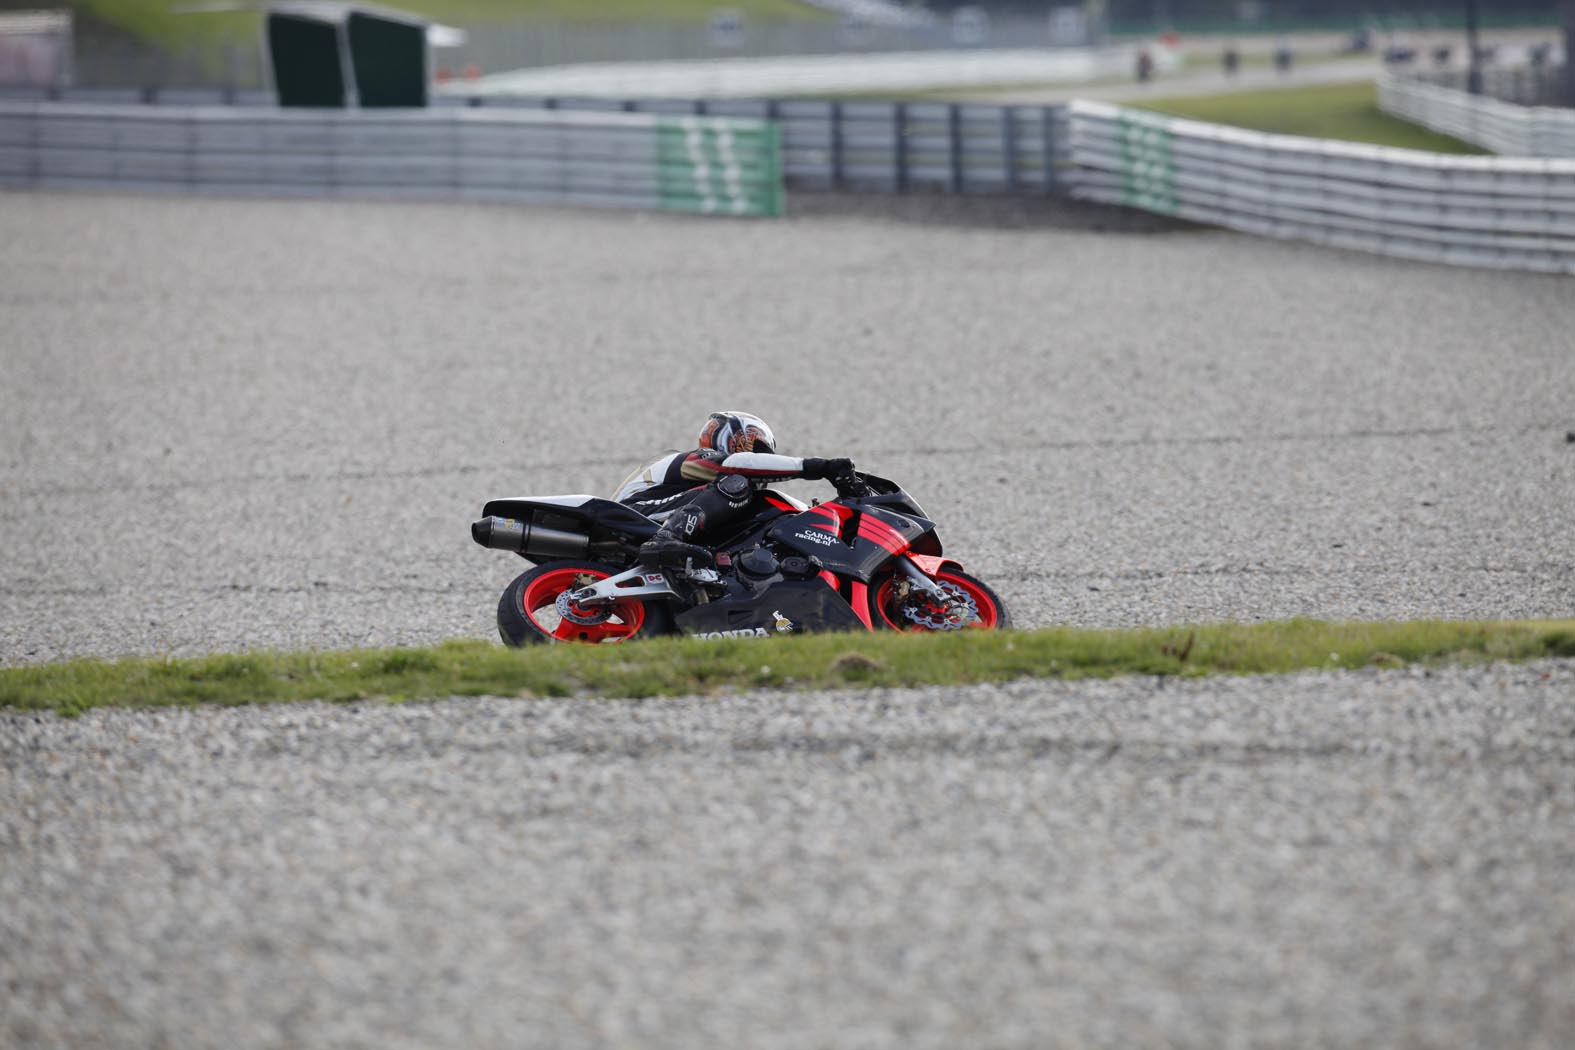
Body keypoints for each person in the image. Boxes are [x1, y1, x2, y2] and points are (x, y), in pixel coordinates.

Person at [615, 411, 853, 575]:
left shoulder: (709, 493)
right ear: (729, 436)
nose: (760, 458)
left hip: (655, 519)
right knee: (738, 483)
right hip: (635, 514)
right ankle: (666, 539)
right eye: (752, 446)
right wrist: (817, 467)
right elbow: (736, 465)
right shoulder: (693, 459)